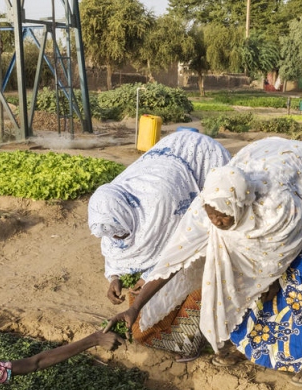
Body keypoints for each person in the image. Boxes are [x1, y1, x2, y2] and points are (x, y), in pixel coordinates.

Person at [105, 137, 302, 386]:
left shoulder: (278, 209)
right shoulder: (207, 208)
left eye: (223, 217)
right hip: (260, 159)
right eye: (213, 216)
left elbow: (285, 248)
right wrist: (135, 307)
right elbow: (172, 260)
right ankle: (248, 343)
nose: (217, 222)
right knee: (233, 278)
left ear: (241, 205)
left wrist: (272, 277)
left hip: (301, 180)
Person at [88, 130, 230, 360]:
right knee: (151, 302)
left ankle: (202, 333)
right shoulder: (108, 205)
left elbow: (178, 248)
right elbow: (114, 244)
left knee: (202, 259)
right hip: (170, 163)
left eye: (121, 233)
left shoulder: (161, 206)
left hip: (200, 160)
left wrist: (151, 276)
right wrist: (114, 276)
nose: (119, 239)